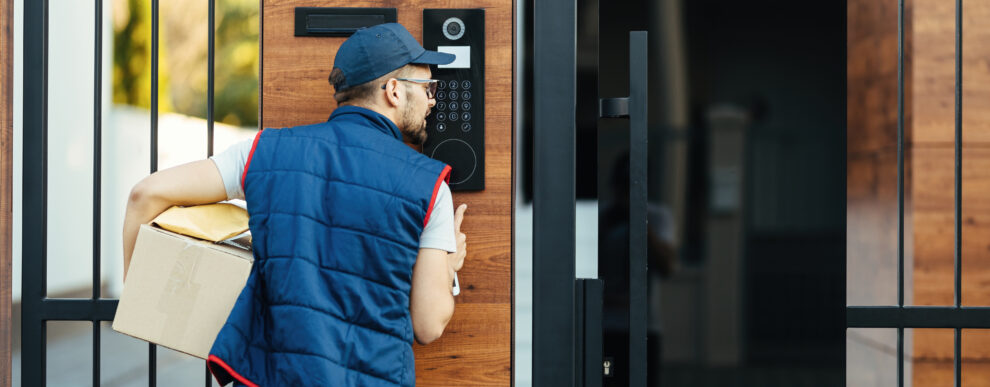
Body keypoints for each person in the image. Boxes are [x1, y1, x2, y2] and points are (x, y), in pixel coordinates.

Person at [121, 23, 468, 386]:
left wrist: (139, 303)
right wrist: (448, 267)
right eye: (427, 88)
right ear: (394, 91)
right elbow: (428, 324)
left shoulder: (262, 152)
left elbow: (144, 195)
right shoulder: (429, 185)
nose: (432, 100)